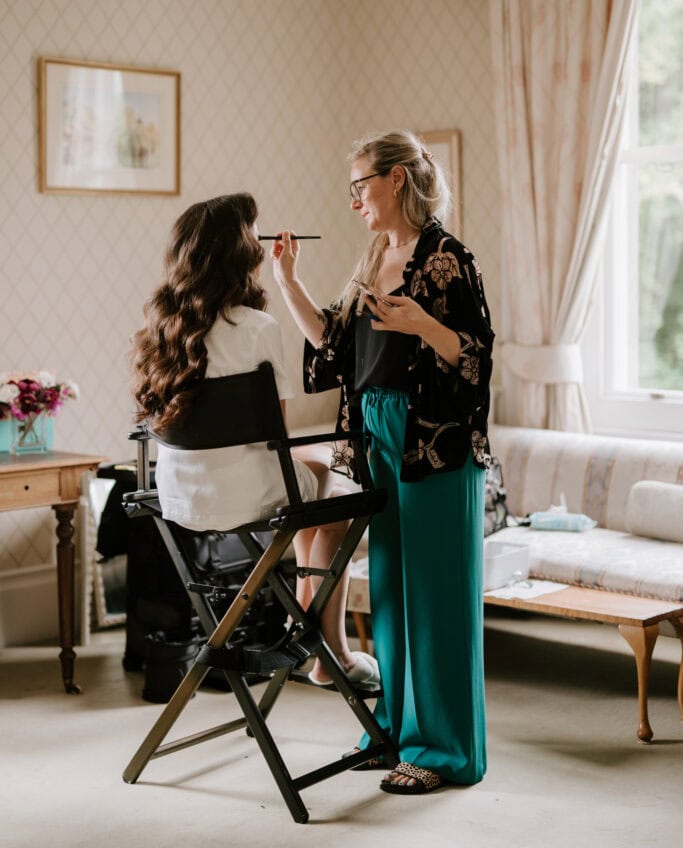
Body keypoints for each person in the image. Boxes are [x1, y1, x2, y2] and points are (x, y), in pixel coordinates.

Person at [271, 131, 494, 795]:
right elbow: (333, 348)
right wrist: (288, 281)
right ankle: (395, 730)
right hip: (374, 433)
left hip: (431, 439)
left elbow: (475, 356)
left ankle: (444, 751)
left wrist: (421, 323)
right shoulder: (374, 253)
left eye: (359, 184)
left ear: (397, 178)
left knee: (435, 598)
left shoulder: (448, 260)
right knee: (392, 593)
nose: (353, 201)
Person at [130, 192, 379, 691]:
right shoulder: (258, 328)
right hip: (247, 495)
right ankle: (329, 652)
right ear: (243, 254)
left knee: (320, 486)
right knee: (339, 495)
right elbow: (277, 439)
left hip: (178, 496)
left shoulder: (160, 327)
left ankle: (323, 649)